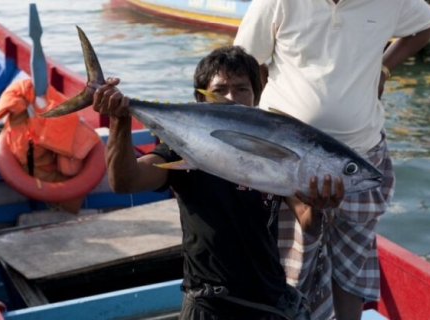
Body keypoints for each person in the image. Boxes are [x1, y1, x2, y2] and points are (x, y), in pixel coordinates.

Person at [91, 45, 343, 319]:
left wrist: (319, 204)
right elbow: (125, 182)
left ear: (256, 96)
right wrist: (119, 121)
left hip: (269, 299)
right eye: (220, 90)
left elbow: (308, 221)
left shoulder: (272, 149)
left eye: (241, 89)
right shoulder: (183, 150)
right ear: (201, 99)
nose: (231, 98)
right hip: (208, 304)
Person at [234, 1, 430, 319]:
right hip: (289, 162)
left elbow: (426, 23)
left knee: (351, 264)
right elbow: (246, 61)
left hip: (361, 154)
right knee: (289, 263)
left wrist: (384, 68)